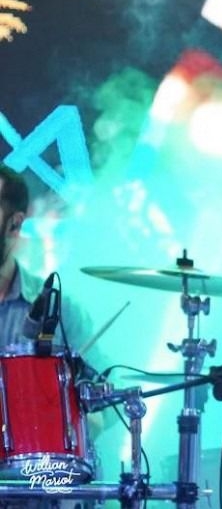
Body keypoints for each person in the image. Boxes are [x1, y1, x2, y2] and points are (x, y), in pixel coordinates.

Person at [0, 164, 109, 508]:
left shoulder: (57, 310)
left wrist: (82, 419)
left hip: (36, 489)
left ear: (15, 223)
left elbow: (105, 395)